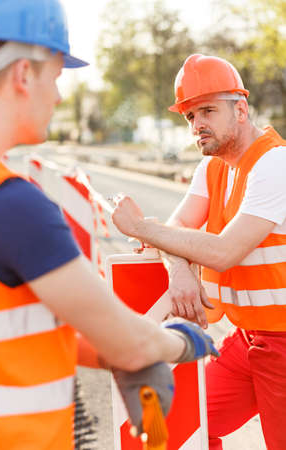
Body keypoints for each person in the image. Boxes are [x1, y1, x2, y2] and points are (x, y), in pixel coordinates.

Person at [0, 3, 219, 449]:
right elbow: (131, 344)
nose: (57, 96)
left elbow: (22, 328)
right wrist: (178, 343)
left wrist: (118, 354)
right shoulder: (13, 206)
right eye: (56, 78)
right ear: (22, 74)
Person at [112, 53, 286, 450]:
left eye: (207, 110)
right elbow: (176, 230)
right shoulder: (213, 168)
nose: (197, 125)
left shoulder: (275, 163)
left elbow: (224, 252)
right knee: (171, 427)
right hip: (247, 342)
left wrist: (141, 228)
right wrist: (178, 271)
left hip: (284, 345)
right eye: (190, 116)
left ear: (240, 109)